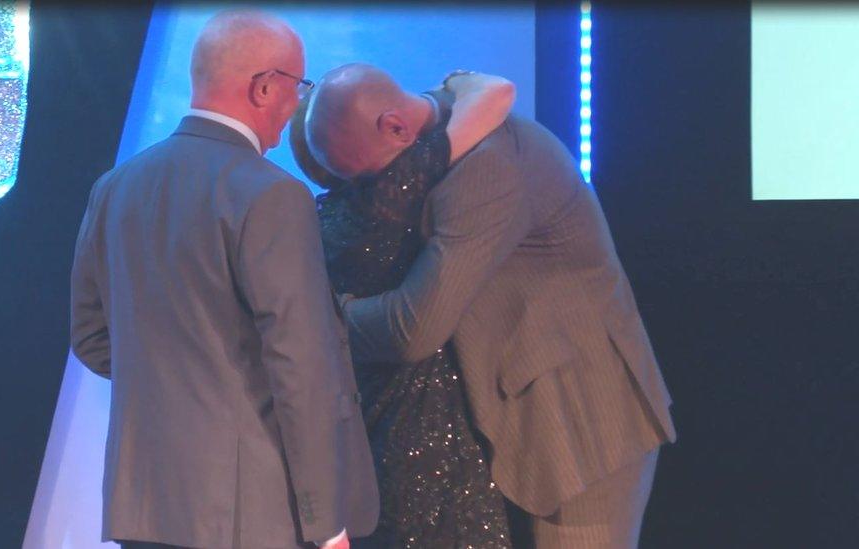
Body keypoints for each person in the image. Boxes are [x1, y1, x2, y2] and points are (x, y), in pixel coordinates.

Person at [304, 63, 677, 549]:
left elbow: (415, 328)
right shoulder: (445, 124)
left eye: (367, 177)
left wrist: (322, 321)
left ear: (395, 127)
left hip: (576, 425)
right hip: (518, 417)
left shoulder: (490, 166)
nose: (372, 196)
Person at [69, 12, 377, 549]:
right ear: (263, 87)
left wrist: (184, 386)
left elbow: (91, 337)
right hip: (249, 517)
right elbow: (299, 366)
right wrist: (326, 524)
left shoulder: (115, 187)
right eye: (299, 85)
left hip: (144, 506)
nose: (297, 103)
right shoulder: (271, 195)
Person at [290, 66, 516, 548]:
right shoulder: (399, 188)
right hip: (429, 439)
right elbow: (496, 92)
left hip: (351, 449)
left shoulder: (314, 224)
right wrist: (442, 92)